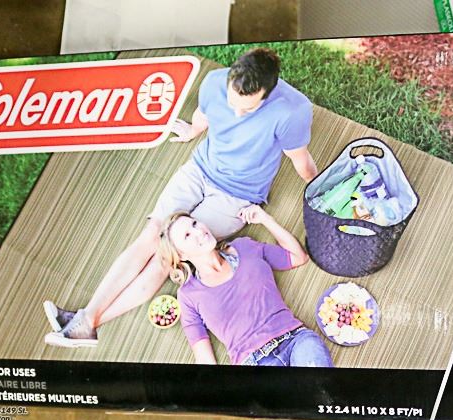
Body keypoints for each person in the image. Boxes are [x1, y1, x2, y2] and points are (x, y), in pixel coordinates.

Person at [43, 48, 317, 347]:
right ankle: (86, 318)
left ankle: (86, 323)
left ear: (269, 92)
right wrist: (193, 130)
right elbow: (203, 115)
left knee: (166, 256)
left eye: (248, 110)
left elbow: (300, 161)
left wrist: (318, 185)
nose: (237, 114)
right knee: (151, 234)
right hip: (199, 169)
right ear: (231, 79)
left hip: (236, 194)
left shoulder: (292, 111)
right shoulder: (215, 81)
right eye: (232, 103)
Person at [157, 206, 333, 367]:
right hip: (253, 362)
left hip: (296, 340)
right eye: (187, 235)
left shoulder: (244, 246)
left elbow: (298, 257)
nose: (198, 231)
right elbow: (204, 358)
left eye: (195, 223)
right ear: (181, 255)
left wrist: (266, 219)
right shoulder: (188, 295)